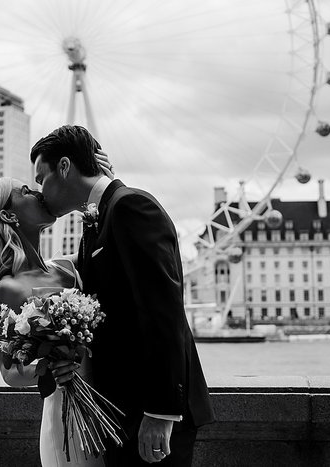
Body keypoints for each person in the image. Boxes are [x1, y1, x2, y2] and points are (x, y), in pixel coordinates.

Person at [30, 125, 214, 466]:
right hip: (120, 409)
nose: (40, 192)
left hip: (148, 410)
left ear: (66, 167)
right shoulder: (102, 217)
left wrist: (161, 413)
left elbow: (163, 312)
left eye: (42, 179)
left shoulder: (130, 207)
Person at [0, 152, 114, 467]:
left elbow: (114, 244)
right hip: (65, 413)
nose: (37, 192)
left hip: (110, 403)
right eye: (25, 191)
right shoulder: (7, 290)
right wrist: (51, 363)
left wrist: (105, 183)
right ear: (8, 217)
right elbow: (9, 372)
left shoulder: (67, 268)